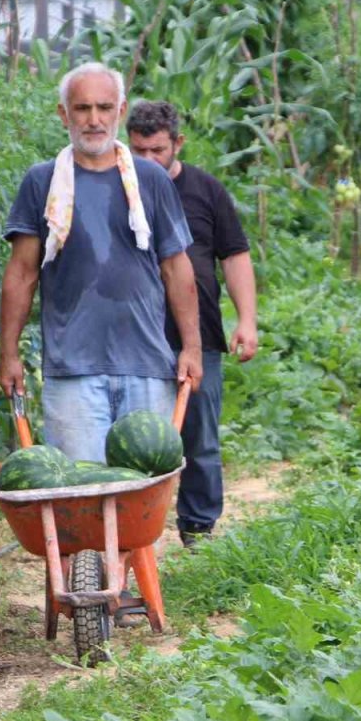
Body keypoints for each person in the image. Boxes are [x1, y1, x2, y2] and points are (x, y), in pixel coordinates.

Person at [0, 64, 203, 465]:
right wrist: (8, 354)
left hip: (147, 364)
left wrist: (192, 348)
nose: (94, 120)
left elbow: (178, 270)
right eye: (82, 108)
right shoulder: (42, 182)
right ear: (64, 114)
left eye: (104, 108)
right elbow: (21, 274)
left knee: (142, 491)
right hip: (73, 370)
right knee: (83, 492)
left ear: (121, 111)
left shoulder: (152, 181)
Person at [126, 100, 258, 548]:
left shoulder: (206, 190)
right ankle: (131, 534)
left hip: (199, 336)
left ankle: (198, 528)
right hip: (133, 340)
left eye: (157, 151)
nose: (148, 161)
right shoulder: (117, 189)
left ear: (177, 144)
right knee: (132, 441)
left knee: (199, 438)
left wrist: (247, 320)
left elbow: (235, 256)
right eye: (139, 151)